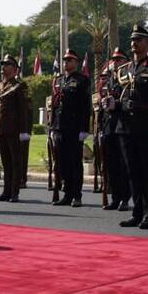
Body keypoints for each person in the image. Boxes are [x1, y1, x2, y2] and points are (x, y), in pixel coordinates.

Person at [115, 24, 148, 230]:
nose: (134, 43)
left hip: (146, 127)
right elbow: (119, 98)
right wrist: (112, 105)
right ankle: (136, 212)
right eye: (132, 40)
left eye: (138, 39)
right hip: (125, 127)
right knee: (132, 172)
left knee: (147, 172)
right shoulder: (124, 70)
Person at [51, 49, 92, 208]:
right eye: (65, 60)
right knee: (63, 162)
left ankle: (76, 195)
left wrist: (84, 128)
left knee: (75, 162)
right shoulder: (59, 80)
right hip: (60, 126)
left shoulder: (82, 80)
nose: (66, 63)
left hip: (74, 128)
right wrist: (53, 126)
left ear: (76, 62)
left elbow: (85, 106)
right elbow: (55, 105)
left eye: (69, 60)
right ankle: (67, 194)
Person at [96, 48, 131, 211]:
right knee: (111, 165)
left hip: (122, 125)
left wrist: (115, 104)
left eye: (119, 59)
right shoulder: (109, 79)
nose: (115, 62)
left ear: (126, 61)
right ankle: (115, 198)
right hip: (109, 126)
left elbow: (128, 100)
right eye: (114, 60)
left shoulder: (128, 78)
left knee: (123, 165)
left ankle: (125, 198)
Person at [0, 54, 29, 203]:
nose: (4, 67)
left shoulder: (19, 86)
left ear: (15, 69)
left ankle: (15, 192)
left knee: (15, 162)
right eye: (3, 64)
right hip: (1, 129)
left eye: (7, 65)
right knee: (5, 163)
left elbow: (24, 110)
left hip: (14, 130)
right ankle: (6, 191)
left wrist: (24, 131)